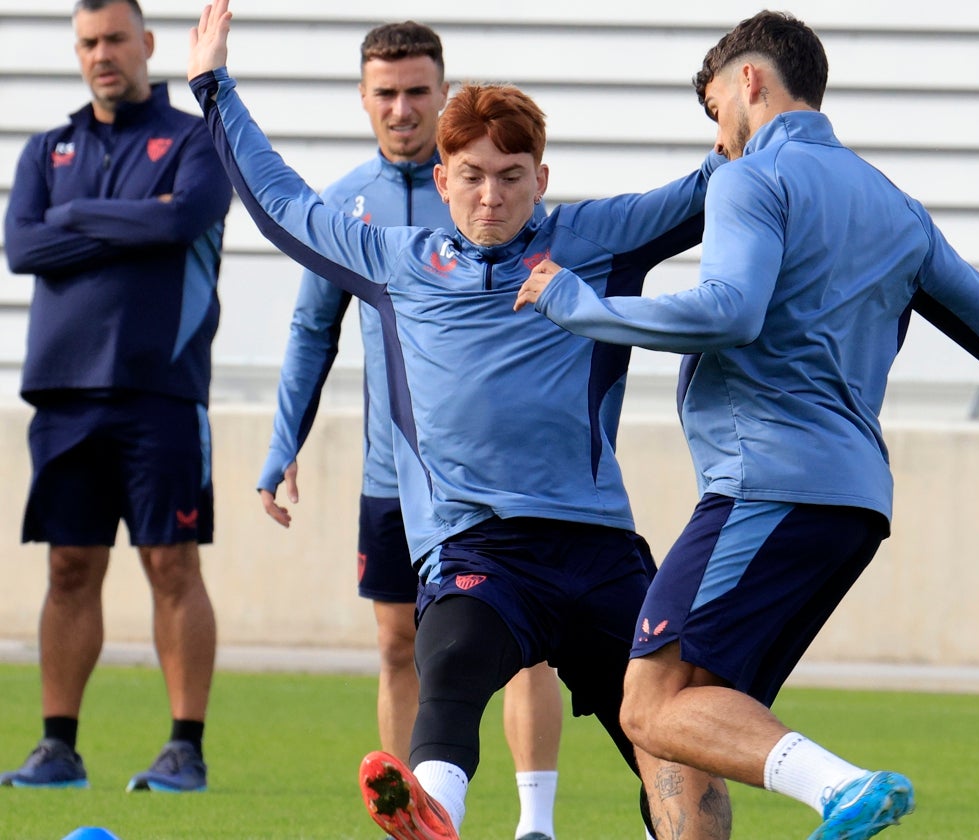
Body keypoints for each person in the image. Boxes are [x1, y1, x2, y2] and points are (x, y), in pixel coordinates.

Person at [515, 11, 979, 839]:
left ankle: (844, 788)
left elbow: (730, 311)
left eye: (717, 111)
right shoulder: (898, 209)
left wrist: (581, 304)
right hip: (852, 507)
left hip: (766, 489)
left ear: (750, 83)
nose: (718, 140)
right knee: (693, 718)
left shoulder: (751, 179)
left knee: (645, 703)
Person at [188, 2, 729, 838]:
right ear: (443, 182)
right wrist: (214, 85)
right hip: (476, 545)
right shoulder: (396, 260)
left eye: (511, 175)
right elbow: (280, 205)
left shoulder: (597, 237)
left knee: (667, 731)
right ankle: (433, 818)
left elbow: (710, 184)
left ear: (540, 179)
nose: (491, 194)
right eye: (471, 175)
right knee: (446, 675)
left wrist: (748, 102)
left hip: (597, 548)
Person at [256, 20, 563, 836]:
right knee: (402, 645)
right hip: (392, 476)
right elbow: (311, 331)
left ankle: (536, 822)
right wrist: (285, 441)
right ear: (363, 99)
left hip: (499, 475)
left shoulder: (486, 185)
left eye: (417, 91)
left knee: (528, 640)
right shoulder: (341, 203)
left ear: (443, 93)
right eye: (385, 93)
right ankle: (417, 824)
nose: (401, 108)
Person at [0, 0, 231, 794]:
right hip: (64, 395)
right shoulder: (47, 147)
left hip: (161, 390)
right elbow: (22, 245)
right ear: (79, 51)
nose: (103, 54)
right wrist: (129, 220)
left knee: (171, 563)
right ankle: (58, 747)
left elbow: (182, 223)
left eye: (116, 40)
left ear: (147, 44)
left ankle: (185, 748)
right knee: (69, 567)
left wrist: (75, 219)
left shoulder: (197, 137)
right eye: (89, 42)